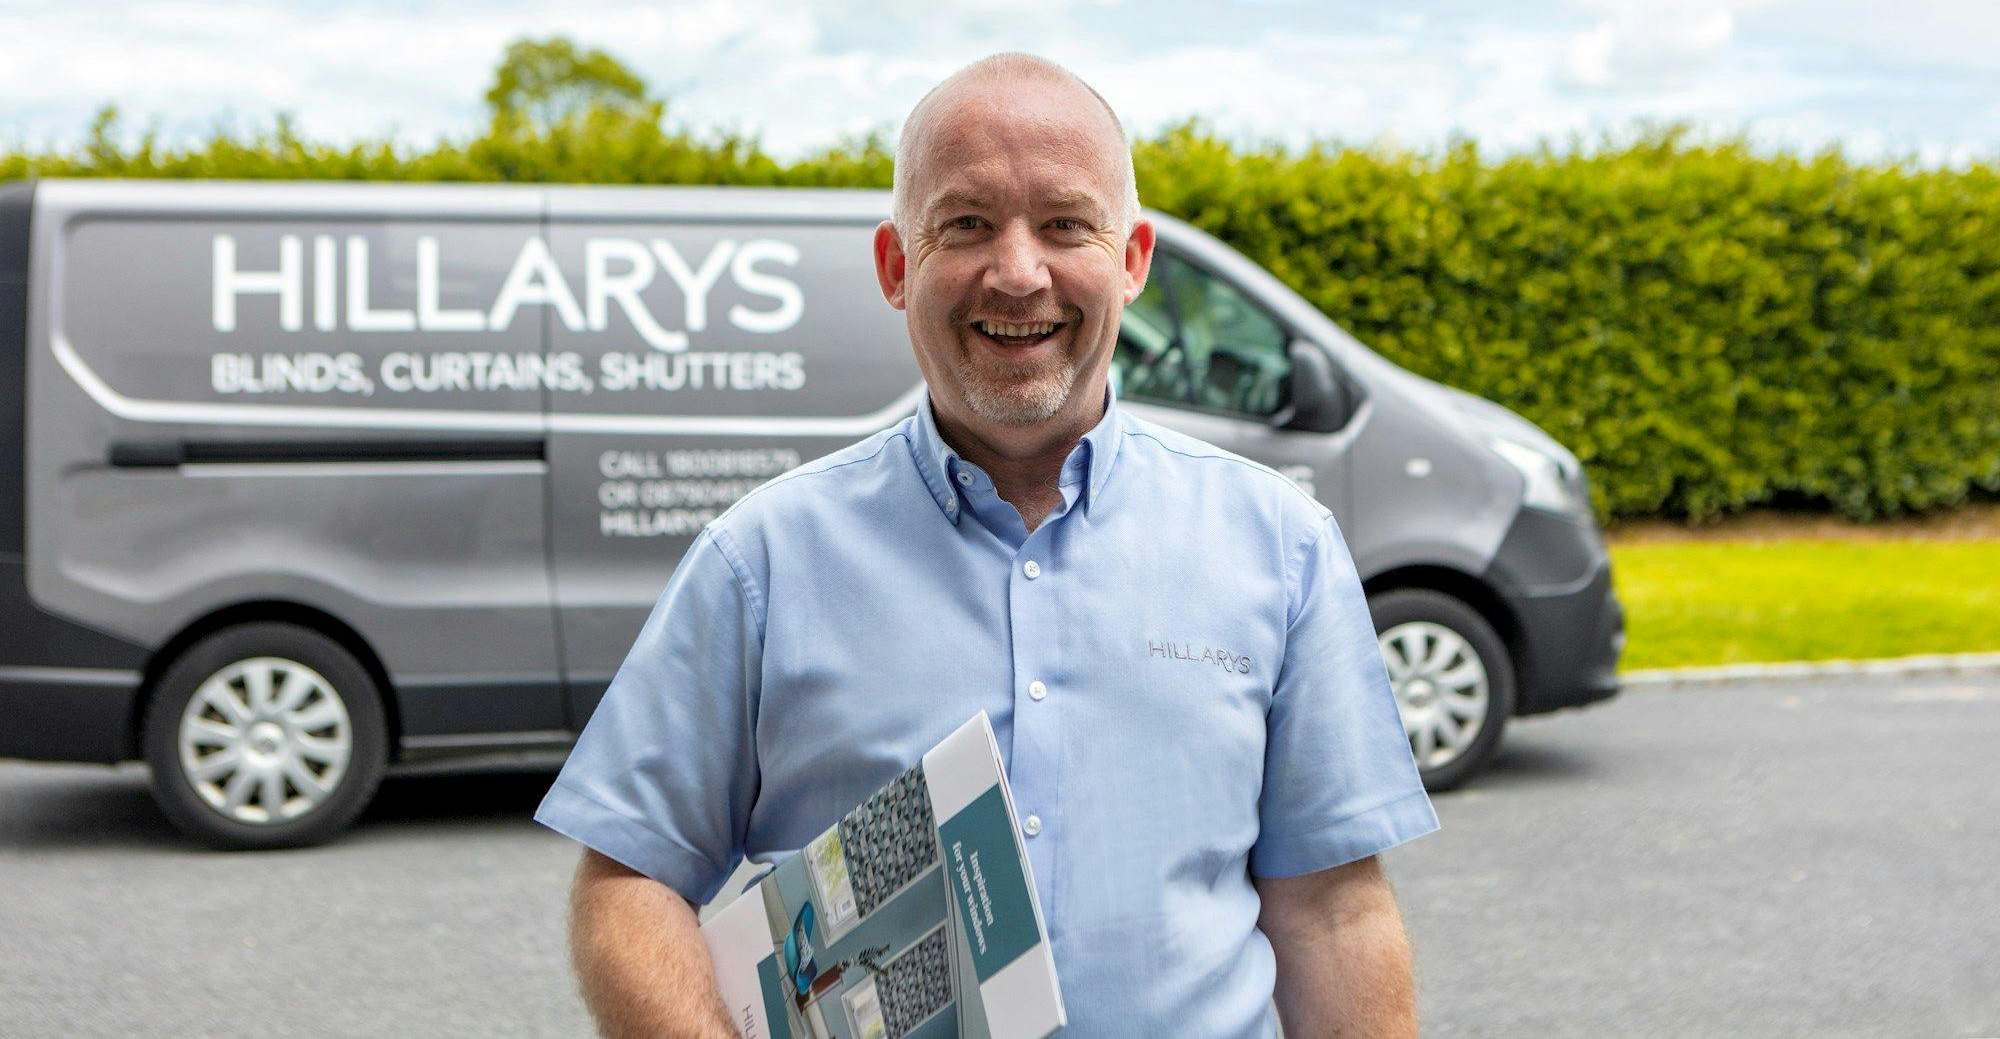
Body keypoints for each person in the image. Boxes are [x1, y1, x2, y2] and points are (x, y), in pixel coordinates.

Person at [534, 53, 1440, 1037]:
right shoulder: (760, 563)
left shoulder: (1280, 547)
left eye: (1064, 224)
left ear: (1131, 258)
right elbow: (628, 879)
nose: (1017, 273)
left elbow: (1334, 910)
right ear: (895, 265)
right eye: (965, 224)